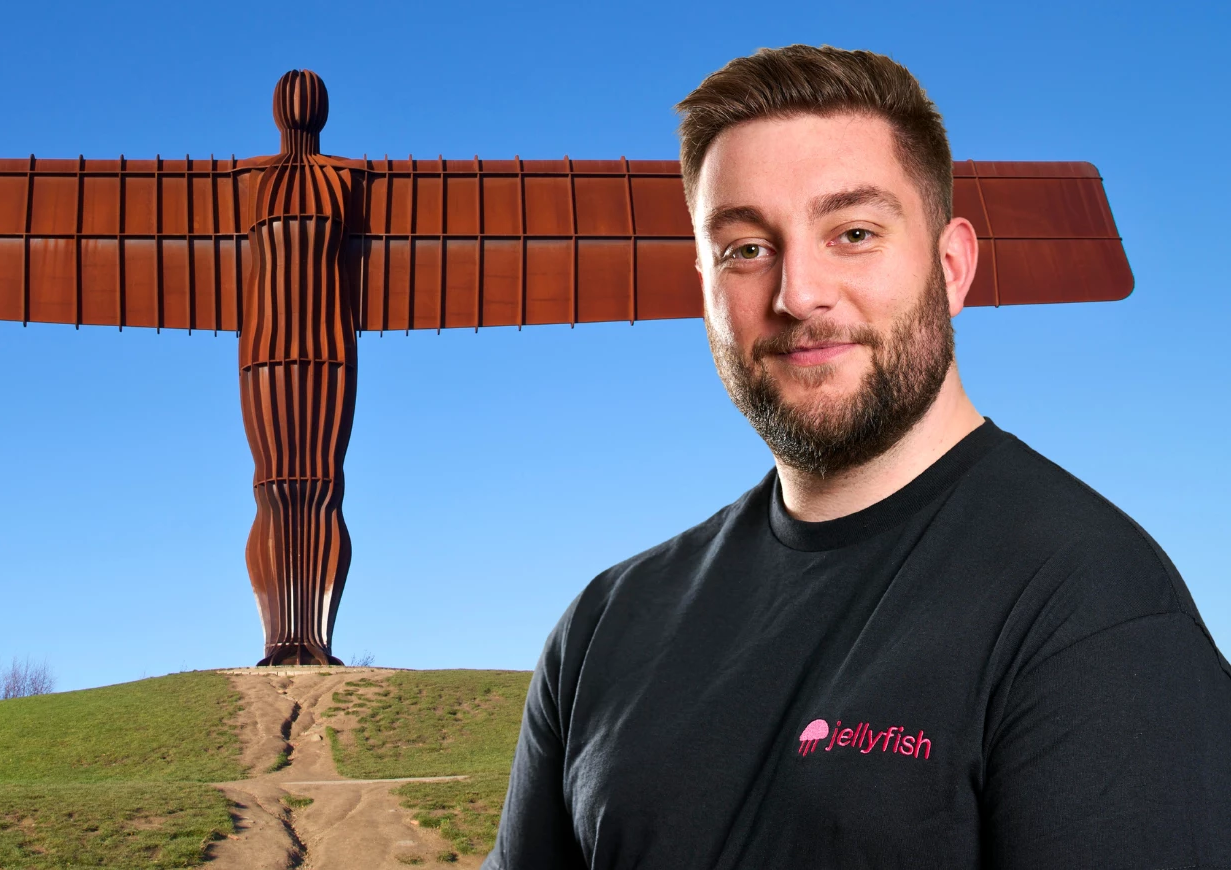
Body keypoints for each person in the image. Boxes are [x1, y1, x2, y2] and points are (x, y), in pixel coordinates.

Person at [484, 45, 1231, 868]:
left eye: (854, 232)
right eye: (745, 249)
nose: (797, 293)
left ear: (951, 268)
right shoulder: (602, 628)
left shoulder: (1095, 610)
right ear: (702, 283)